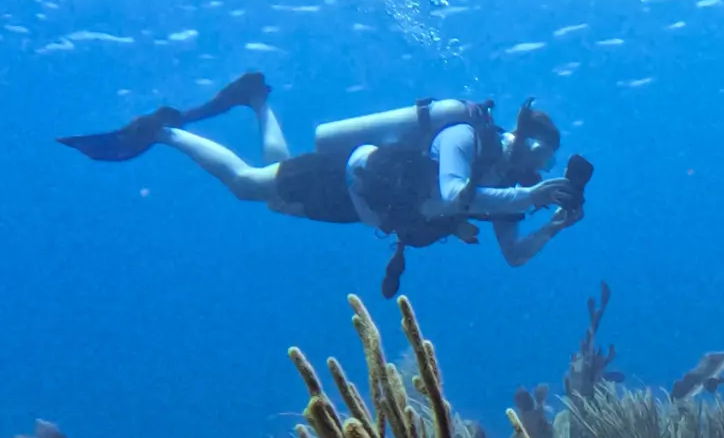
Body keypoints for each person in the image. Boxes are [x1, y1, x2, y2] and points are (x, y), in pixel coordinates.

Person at [58, 75, 587, 295]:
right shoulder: (465, 137)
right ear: (519, 135)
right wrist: (530, 197)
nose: (539, 170)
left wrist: (556, 226)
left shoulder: (507, 181)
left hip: (359, 208)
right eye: (541, 156)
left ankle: (256, 99)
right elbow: (453, 196)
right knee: (248, 185)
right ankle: (166, 132)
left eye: (547, 165)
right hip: (346, 178)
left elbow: (514, 254)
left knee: (275, 196)